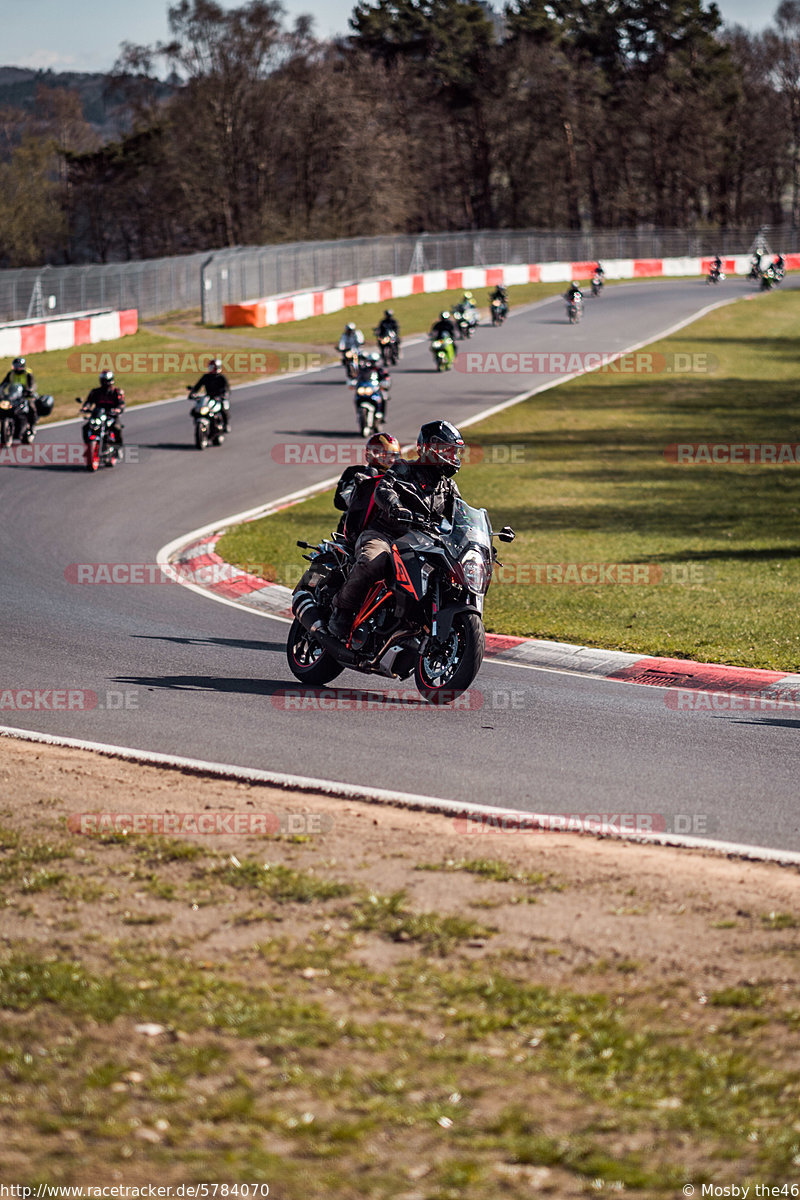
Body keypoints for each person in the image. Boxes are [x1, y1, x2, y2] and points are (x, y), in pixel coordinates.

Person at [327, 420, 465, 640]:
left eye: (454, 452)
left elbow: (461, 516)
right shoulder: (404, 468)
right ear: (429, 449)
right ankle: (341, 612)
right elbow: (384, 489)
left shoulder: (448, 488)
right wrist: (395, 506)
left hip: (421, 543)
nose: (452, 457)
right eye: (446, 451)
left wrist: (476, 537)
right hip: (385, 535)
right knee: (373, 562)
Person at [333, 432, 401, 543]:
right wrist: (362, 486)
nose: (392, 460)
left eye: (394, 456)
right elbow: (340, 501)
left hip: (388, 529)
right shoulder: (355, 472)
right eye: (388, 455)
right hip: (355, 529)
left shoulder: (398, 478)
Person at [81, 369, 125, 447]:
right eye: (103, 381)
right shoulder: (95, 392)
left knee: (117, 428)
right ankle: (88, 446)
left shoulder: (117, 392)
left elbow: (121, 404)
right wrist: (85, 408)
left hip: (111, 415)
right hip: (98, 415)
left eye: (106, 381)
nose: (105, 383)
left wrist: (117, 409)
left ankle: (118, 447)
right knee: (86, 428)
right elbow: (89, 402)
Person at [0, 356, 38, 439]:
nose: (16, 368)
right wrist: (1, 390)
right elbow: (4, 384)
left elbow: (32, 384)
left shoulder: (28, 373)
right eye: (15, 366)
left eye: (18, 366)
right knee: (4, 407)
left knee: (31, 406)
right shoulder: (11, 373)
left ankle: (32, 425)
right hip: (14, 395)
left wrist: (30, 390)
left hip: (25, 395)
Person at [190, 357, 231, 431]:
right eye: (210, 367)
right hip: (208, 397)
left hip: (218, 398)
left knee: (223, 408)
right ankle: (199, 422)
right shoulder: (206, 377)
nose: (210, 369)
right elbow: (198, 386)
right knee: (196, 409)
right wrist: (193, 393)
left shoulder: (221, 378)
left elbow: (226, 389)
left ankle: (226, 424)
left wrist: (223, 395)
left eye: (212, 367)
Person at [353, 351, 391, 418]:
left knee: (384, 397)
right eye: (371, 361)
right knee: (357, 398)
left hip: (376, 389)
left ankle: (380, 413)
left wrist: (385, 383)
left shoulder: (380, 370)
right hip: (367, 387)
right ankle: (358, 414)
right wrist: (355, 383)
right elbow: (358, 377)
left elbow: (386, 377)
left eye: (374, 361)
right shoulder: (365, 369)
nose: (373, 363)